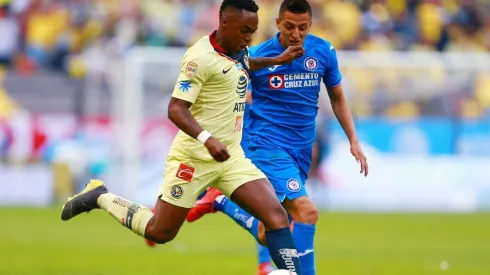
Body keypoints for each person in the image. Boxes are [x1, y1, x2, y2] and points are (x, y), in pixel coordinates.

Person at [60, 0, 306, 273]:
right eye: (245, 30)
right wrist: (206, 139)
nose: (249, 37)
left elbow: (243, 63)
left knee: (276, 217)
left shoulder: (237, 48)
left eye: (253, 31)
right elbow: (176, 109)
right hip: (194, 158)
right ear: (225, 22)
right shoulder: (199, 58)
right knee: (160, 231)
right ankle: (99, 196)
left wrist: (277, 60)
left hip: (231, 157)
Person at [186, 1, 369, 275]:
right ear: (278, 24)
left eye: (303, 28)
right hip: (266, 147)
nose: (296, 34)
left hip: (300, 151)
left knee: (270, 229)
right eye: (290, 27)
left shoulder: (323, 52)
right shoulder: (258, 57)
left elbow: (337, 97)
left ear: (310, 25)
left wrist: (353, 139)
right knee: (307, 212)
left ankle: (220, 202)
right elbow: (228, 94)